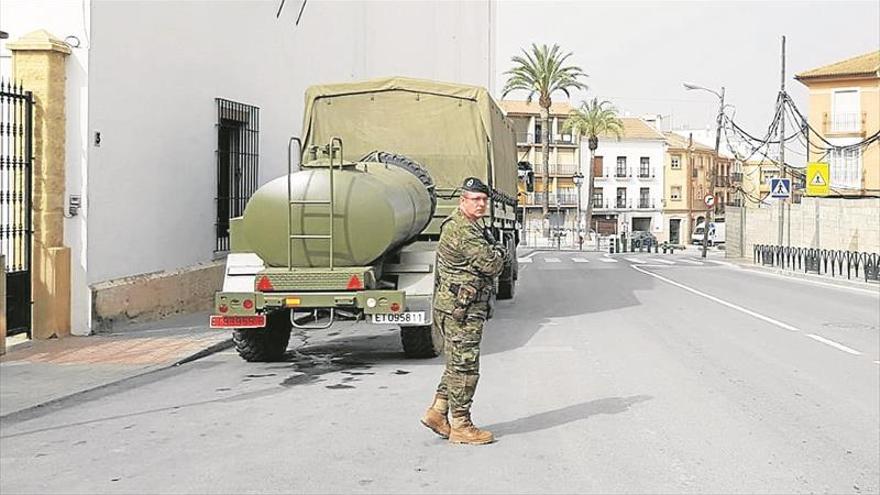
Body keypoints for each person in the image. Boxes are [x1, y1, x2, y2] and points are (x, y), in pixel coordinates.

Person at [420, 176, 506, 445]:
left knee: (456, 363)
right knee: (466, 368)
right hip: (462, 310)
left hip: (457, 306)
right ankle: (461, 425)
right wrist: (501, 252)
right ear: (463, 201)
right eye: (475, 200)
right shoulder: (463, 230)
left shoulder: (469, 224)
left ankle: (437, 412)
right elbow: (492, 265)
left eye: (483, 199)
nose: (481, 204)